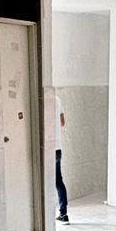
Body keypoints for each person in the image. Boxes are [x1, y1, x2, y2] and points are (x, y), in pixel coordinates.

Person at [54, 95, 69, 223]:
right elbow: (62, 122)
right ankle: (63, 214)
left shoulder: (42, 99)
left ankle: (47, 217)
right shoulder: (57, 99)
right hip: (58, 148)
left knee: (47, 182)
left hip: (47, 148)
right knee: (58, 181)